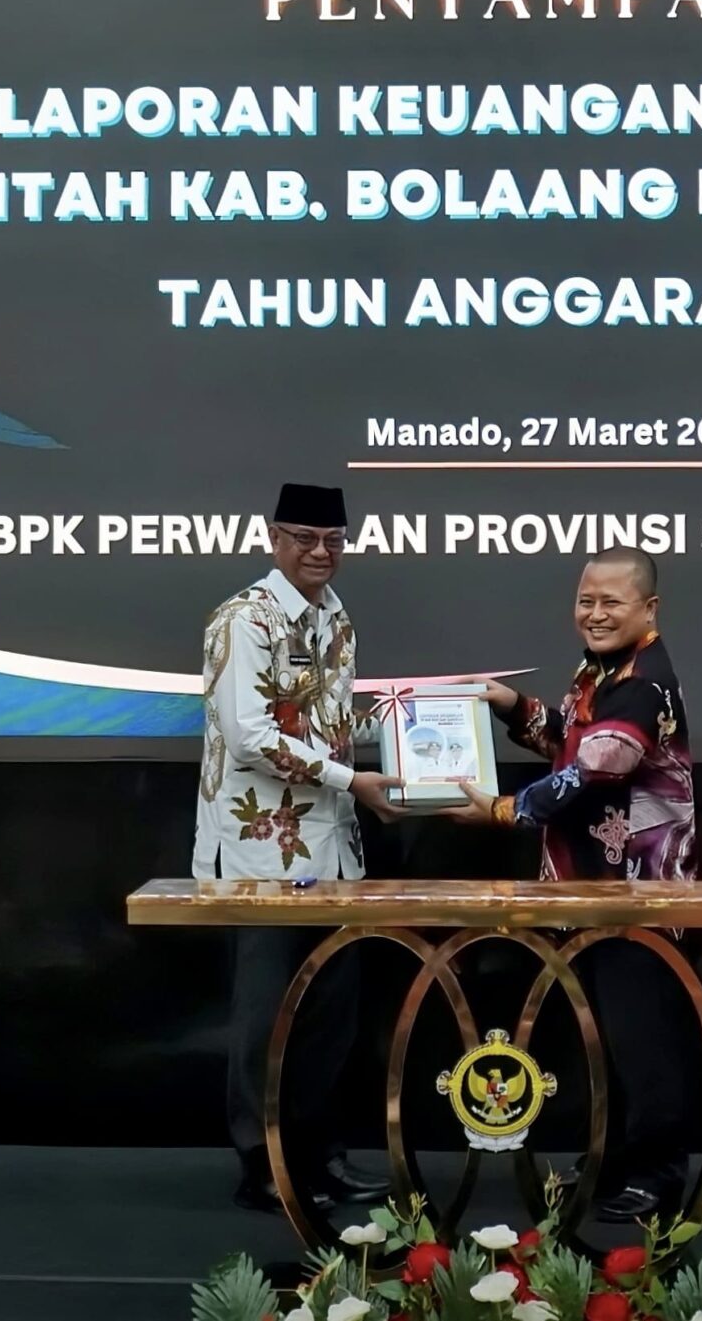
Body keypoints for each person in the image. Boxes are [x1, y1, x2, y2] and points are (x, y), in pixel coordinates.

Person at [444, 544, 699, 1222]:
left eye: (611, 601)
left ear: (649, 608)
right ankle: (613, 1157)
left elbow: (591, 771)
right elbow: (570, 742)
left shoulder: (643, 683)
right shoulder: (601, 671)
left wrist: (502, 810)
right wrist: (510, 705)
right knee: (605, 1038)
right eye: (586, 600)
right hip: (591, 892)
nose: (595, 613)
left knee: (642, 1040)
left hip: (636, 895)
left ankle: (657, 1176)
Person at [195, 482, 404, 1214]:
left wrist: (418, 733)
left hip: (333, 847)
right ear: (274, 537)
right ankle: (262, 1163)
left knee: (330, 1013)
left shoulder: (336, 619)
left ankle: (320, 1156)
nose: (321, 552)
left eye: (333, 541)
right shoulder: (242, 620)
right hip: (262, 850)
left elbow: (331, 724)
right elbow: (251, 737)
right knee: (266, 1018)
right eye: (305, 538)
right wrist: (353, 779)